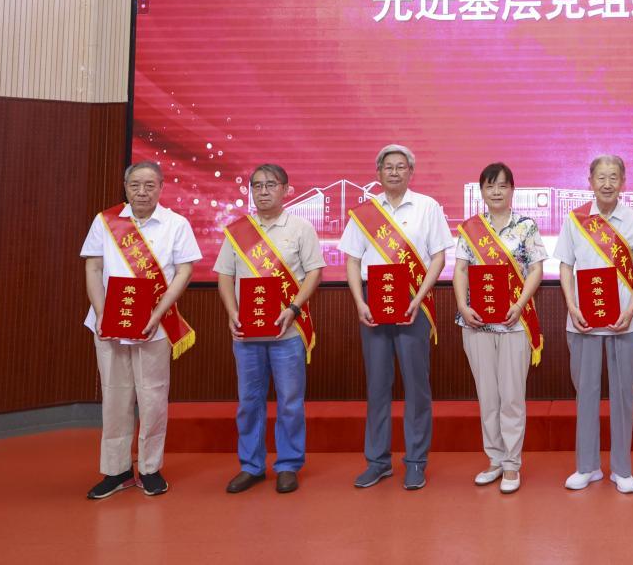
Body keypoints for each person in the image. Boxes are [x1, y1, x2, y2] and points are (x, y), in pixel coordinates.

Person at [80, 161, 200, 499]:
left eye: (149, 185)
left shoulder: (176, 224)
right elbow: (93, 267)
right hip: (108, 325)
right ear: (125, 186)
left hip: (155, 325)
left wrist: (158, 314)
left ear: (161, 187)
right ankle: (117, 470)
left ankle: (150, 468)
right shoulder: (105, 221)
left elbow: (184, 272)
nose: (142, 192)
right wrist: (101, 314)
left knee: (153, 397)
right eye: (135, 185)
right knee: (114, 396)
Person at [340, 145, 455, 491]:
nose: (394, 172)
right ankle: (378, 462)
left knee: (417, 387)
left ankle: (416, 461)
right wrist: (359, 302)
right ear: (378, 173)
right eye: (388, 167)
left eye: (400, 166)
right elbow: (352, 260)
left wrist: (419, 298)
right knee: (377, 386)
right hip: (373, 306)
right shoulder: (365, 212)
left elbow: (438, 257)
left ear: (410, 172)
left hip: (413, 304)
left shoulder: (427, 207)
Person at [215, 164, 325, 495]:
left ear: (285, 189)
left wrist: (294, 308)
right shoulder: (237, 231)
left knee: (290, 401)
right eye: (257, 186)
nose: (263, 191)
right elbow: (225, 275)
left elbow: (314, 272)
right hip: (246, 334)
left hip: (286, 333)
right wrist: (232, 312)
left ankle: (288, 464)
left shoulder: (301, 227)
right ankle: (251, 465)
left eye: (271, 185)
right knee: (249, 402)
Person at [556, 155, 633, 494]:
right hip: (583, 322)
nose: (607, 183)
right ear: (590, 181)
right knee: (585, 394)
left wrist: (631, 309)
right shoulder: (575, 220)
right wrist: (571, 306)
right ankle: (586, 467)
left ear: (623, 182)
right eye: (601, 177)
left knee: (623, 395)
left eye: (614, 177)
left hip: (625, 322)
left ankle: (621, 469)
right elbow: (565, 266)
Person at [453, 163, 547, 494]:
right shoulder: (470, 228)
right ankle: (494, 459)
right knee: (488, 396)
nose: (496, 191)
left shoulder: (526, 226)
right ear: (482, 191)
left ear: (512, 190)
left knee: (511, 397)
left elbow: (536, 269)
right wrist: (462, 306)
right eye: (490, 186)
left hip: (514, 323)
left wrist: (519, 304)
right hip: (476, 322)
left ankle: (511, 464)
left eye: (503, 185)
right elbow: (460, 270)